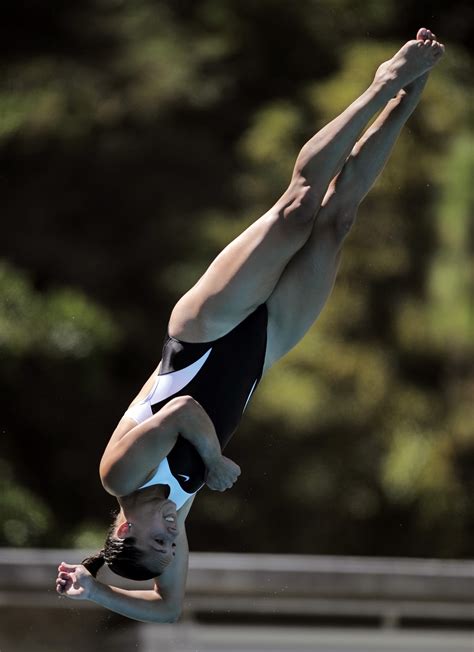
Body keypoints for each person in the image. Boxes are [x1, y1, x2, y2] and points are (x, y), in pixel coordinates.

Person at [55, 28, 444, 622]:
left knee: (297, 210)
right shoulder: (172, 519)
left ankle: (383, 81)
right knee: (337, 222)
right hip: (265, 348)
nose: (173, 538)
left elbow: (182, 412)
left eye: (158, 542)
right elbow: (167, 610)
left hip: (205, 331)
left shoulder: (119, 475)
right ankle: (410, 93)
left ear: (124, 528)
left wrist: (212, 463)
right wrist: (96, 590)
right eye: (170, 547)